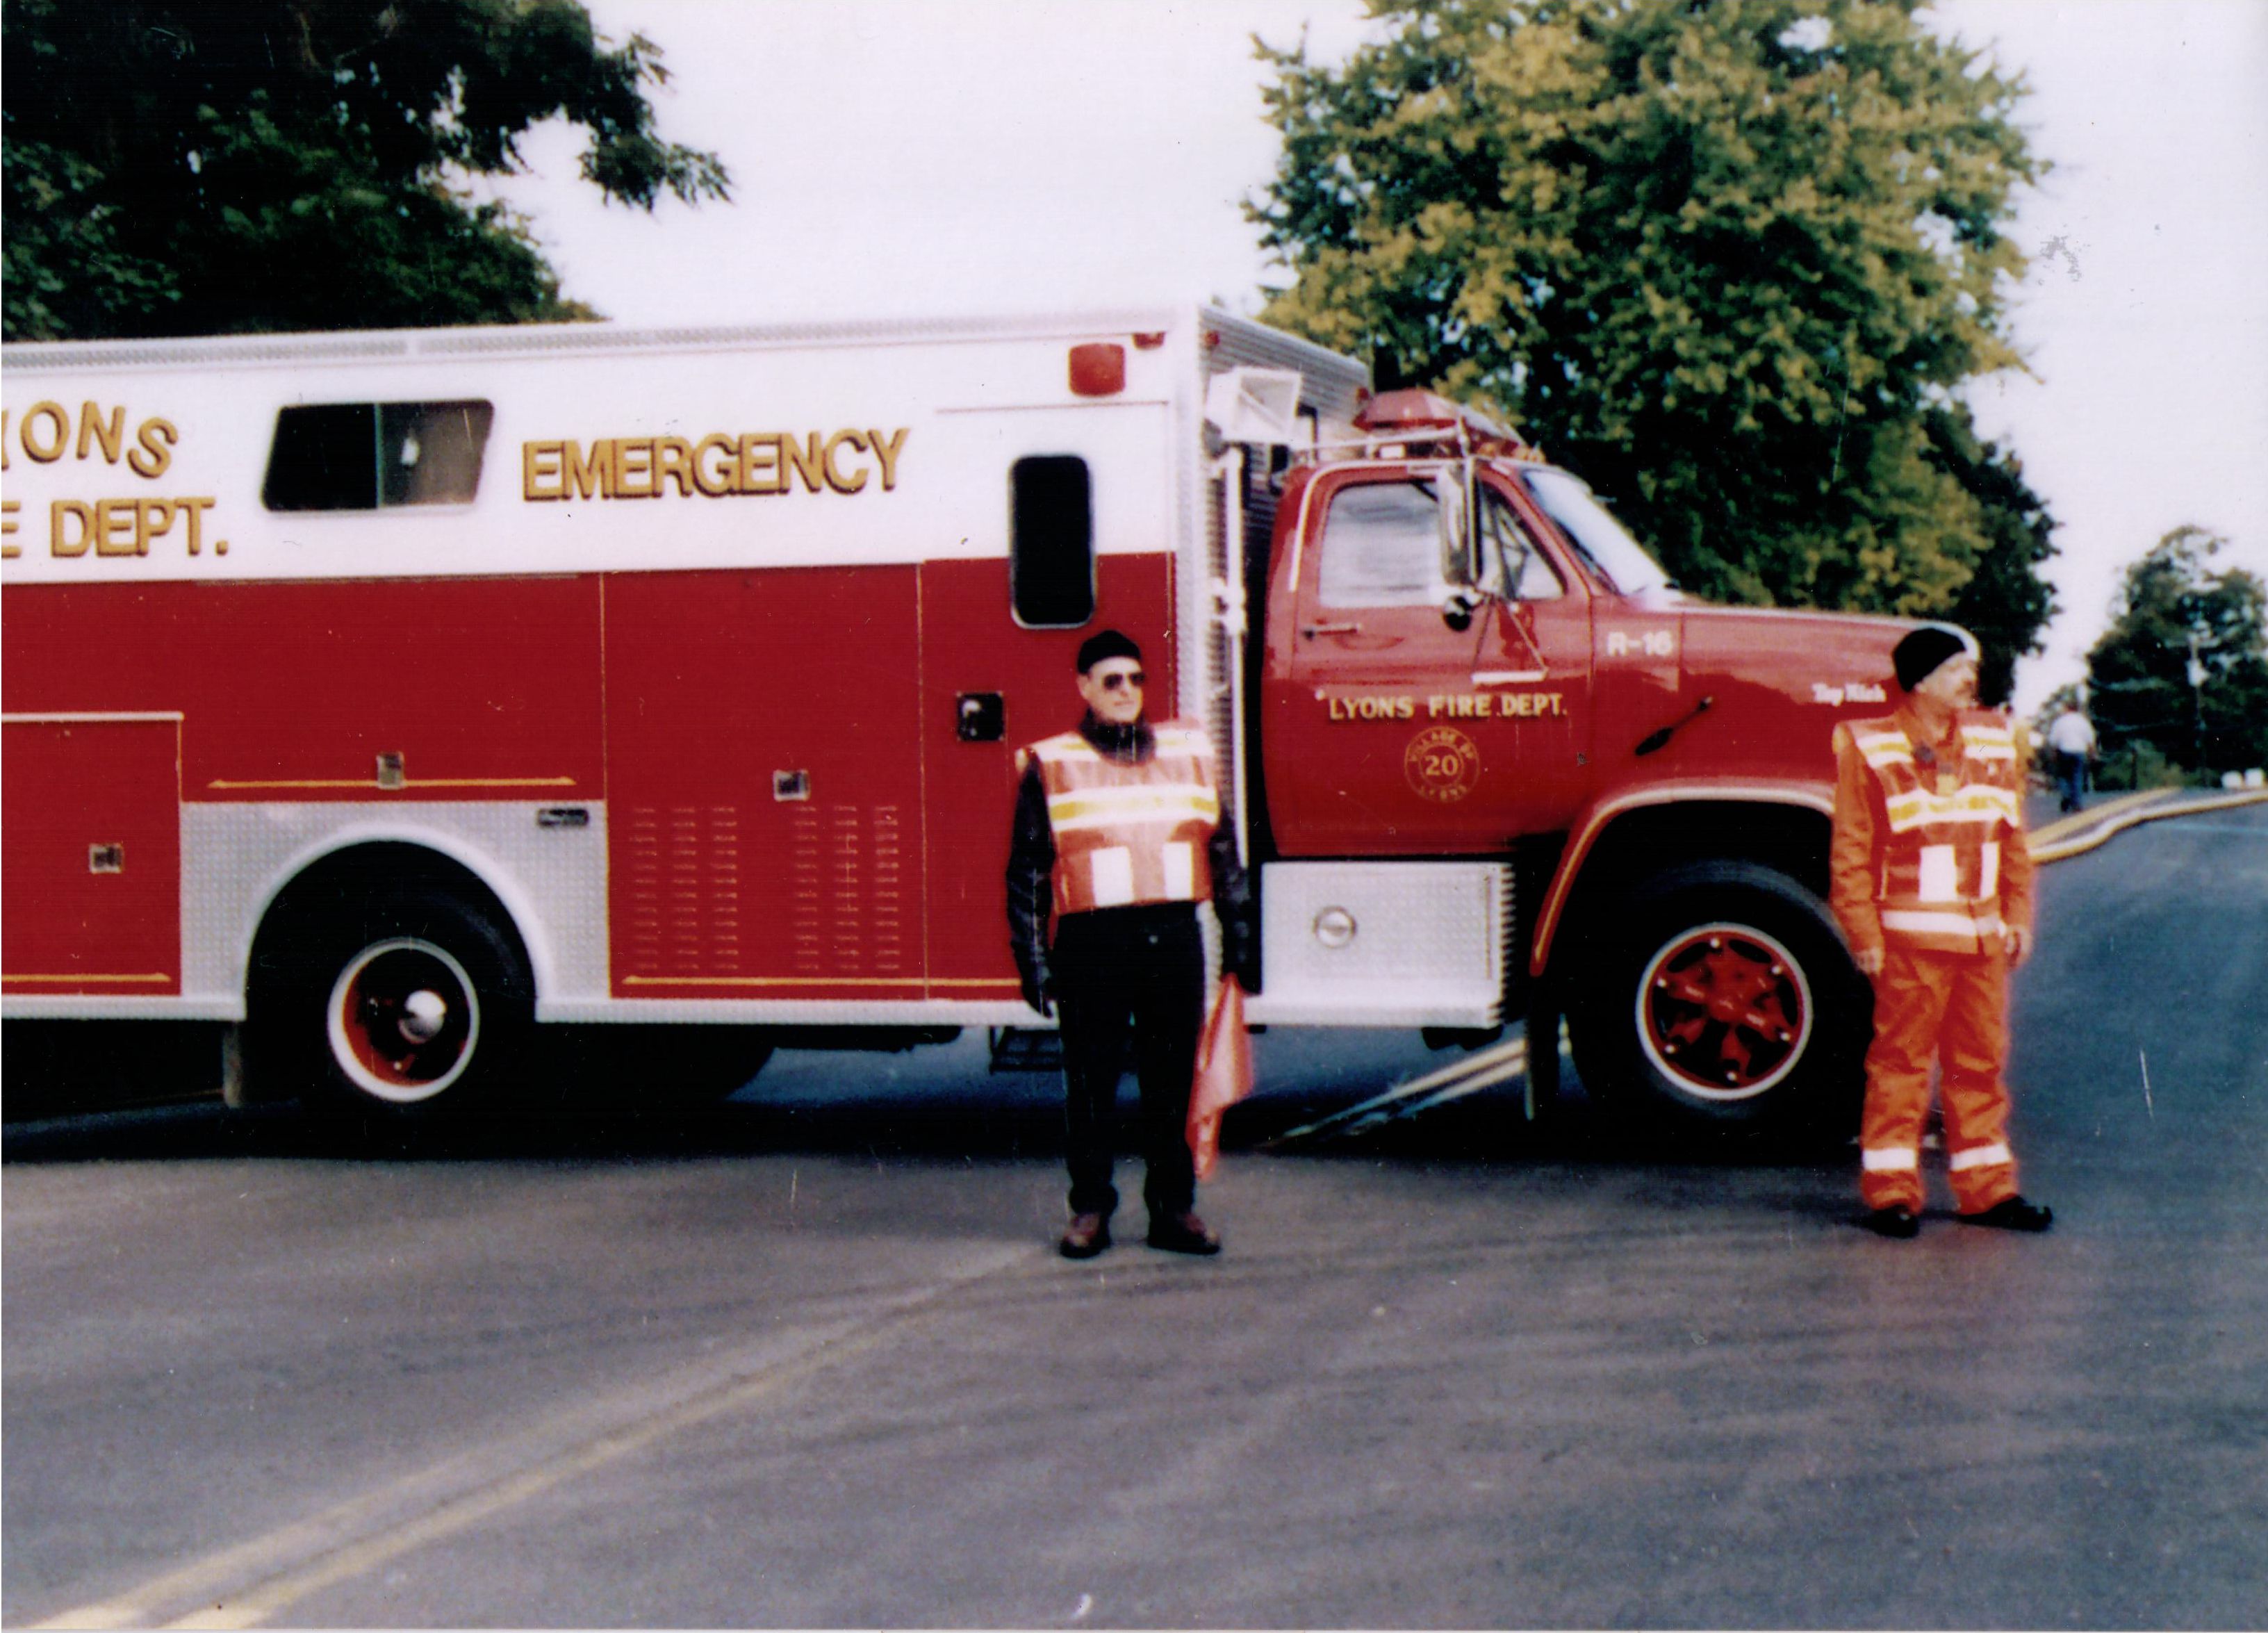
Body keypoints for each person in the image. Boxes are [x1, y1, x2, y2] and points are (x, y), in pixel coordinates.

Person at [1006, 630, 1253, 1259]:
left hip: (1173, 937)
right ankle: (1090, 1209)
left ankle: (1173, 1211)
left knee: (1171, 1083)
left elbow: (1221, 851)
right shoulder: (1054, 763)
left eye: (1135, 680)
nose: (1126, 692)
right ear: (1085, 687)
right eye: (1111, 680)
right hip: (1094, 941)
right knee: (1091, 1085)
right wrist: (1032, 959)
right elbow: (1030, 869)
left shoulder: (1187, 754)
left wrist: (1240, 930)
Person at [1829, 625, 2053, 1239]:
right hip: (1911, 944)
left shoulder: (1991, 737)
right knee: (1901, 1065)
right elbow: (1850, 850)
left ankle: (1988, 1192)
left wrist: (2019, 916)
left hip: (1980, 941)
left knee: (1979, 1065)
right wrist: (1864, 933)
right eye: (1958, 669)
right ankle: (1892, 1195)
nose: (1969, 680)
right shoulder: (1869, 746)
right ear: (1921, 679)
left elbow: (2010, 839)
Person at [2046, 700, 2097, 812]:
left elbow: (2054, 739)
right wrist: (2092, 752)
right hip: (2079, 751)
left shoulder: (2060, 722)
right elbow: (2090, 738)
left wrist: (2053, 753)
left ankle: (2066, 795)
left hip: (2064, 751)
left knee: (2064, 776)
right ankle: (2077, 803)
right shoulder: (2083, 721)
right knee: (2077, 776)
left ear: (2067, 709)